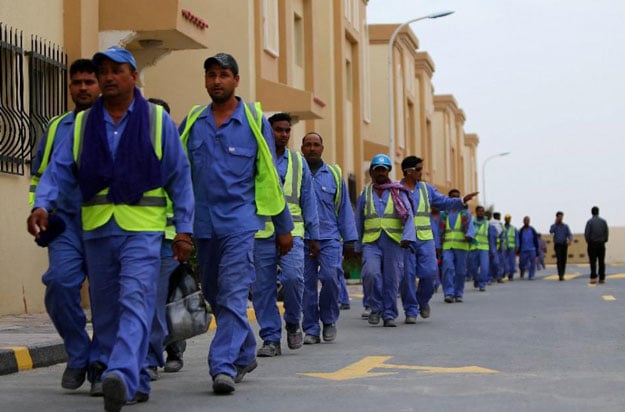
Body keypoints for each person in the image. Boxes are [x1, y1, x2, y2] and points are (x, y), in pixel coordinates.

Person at [28, 46, 194, 412]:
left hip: (143, 231)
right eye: (103, 70)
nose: (107, 77)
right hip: (97, 230)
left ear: (133, 76)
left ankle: (122, 372)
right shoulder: (83, 124)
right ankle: (110, 368)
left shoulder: (155, 120)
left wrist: (184, 229)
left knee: (135, 300)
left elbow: (179, 178)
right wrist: (42, 204)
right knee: (104, 310)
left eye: (116, 70)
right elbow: (57, 170)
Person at [178, 52, 293, 394]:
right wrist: (178, 227)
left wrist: (283, 226)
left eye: (224, 75)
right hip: (202, 224)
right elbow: (178, 174)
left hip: (241, 222)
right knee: (214, 292)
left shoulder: (255, 121)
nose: (217, 81)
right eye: (211, 75)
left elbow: (269, 176)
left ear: (236, 80)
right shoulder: (193, 121)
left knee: (231, 291)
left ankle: (222, 365)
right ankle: (244, 350)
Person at [28, 58, 100, 391]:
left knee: (106, 297)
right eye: (77, 82)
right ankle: (78, 354)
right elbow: (42, 175)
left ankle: (102, 361)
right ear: (70, 87)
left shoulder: (114, 123)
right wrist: (39, 208)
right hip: (66, 225)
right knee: (58, 284)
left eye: (89, 82)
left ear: (99, 85)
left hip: (106, 223)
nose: (83, 88)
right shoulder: (58, 127)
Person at [252, 113, 319, 356]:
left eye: (287, 131)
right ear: (269, 131)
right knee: (262, 288)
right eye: (278, 130)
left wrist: (314, 235)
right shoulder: (257, 158)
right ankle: (270, 338)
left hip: (293, 231)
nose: (283, 134)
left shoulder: (298, 162)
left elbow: (308, 200)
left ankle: (292, 321)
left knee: (293, 279)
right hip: (261, 231)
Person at [398, 156, 477, 321]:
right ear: (408, 171)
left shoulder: (427, 189)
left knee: (430, 273)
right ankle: (411, 310)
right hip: (404, 240)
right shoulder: (396, 190)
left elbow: (443, 202)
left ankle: (422, 301)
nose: (422, 172)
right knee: (407, 277)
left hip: (425, 238)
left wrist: (461, 200)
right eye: (419, 169)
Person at [143, 97, 187, 377]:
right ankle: (159, 351)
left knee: (163, 297)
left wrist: (184, 233)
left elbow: (184, 192)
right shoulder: (135, 146)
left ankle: (159, 353)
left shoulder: (176, 150)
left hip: (170, 239)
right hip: (142, 234)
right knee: (154, 297)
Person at [300, 132, 358, 343]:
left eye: (316, 144)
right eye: (308, 145)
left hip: (330, 238)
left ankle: (329, 320)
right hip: (303, 238)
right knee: (306, 284)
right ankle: (311, 329)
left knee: (331, 278)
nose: (312, 148)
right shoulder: (296, 173)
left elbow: (344, 209)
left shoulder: (333, 174)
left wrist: (350, 240)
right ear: (302, 148)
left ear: (322, 148)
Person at [355, 154, 415, 327]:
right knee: (370, 274)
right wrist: (356, 245)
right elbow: (358, 220)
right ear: (372, 172)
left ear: (388, 171)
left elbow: (409, 215)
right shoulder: (365, 193)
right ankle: (375, 307)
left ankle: (389, 314)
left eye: (384, 169)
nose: (381, 172)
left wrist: (407, 237)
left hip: (394, 241)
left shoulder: (398, 191)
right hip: (371, 241)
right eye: (377, 169)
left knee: (392, 278)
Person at [440, 189, 474, 303]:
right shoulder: (444, 214)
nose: (455, 199)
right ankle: (449, 293)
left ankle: (458, 293)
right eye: (452, 197)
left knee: (460, 272)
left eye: (457, 197)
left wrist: (469, 235)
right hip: (447, 246)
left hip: (462, 246)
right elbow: (438, 230)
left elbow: (471, 227)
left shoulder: (466, 214)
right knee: (447, 268)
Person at [467, 205, 497, 291]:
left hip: (484, 248)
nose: (481, 212)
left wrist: (492, 251)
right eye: (479, 211)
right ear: (476, 212)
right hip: (473, 248)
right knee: (472, 268)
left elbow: (491, 239)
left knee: (484, 267)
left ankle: (482, 284)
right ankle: (476, 279)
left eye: (482, 211)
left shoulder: (488, 224)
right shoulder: (471, 223)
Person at [584, 206, 609, 284]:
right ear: (598, 212)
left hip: (592, 244)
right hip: (601, 244)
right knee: (601, 261)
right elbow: (606, 232)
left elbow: (587, 234)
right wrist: (604, 240)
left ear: (592, 212)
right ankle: (602, 278)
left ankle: (593, 277)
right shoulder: (603, 221)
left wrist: (589, 242)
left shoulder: (589, 222)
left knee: (593, 261)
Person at [549, 211, 573, 281]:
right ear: (556, 217)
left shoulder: (565, 226)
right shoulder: (554, 226)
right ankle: (560, 275)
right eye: (559, 217)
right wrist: (555, 224)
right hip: (557, 245)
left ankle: (562, 273)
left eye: (561, 217)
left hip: (564, 245)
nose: (560, 218)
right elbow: (551, 231)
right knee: (559, 259)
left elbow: (570, 234)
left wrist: (570, 240)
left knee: (563, 260)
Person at [518, 216, 539, 280]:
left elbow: (536, 240)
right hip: (523, 250)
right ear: (523, 221)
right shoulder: (521, 230)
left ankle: (531, 275)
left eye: (527, 220)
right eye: (525, 220)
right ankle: (522, 271)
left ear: (529, 221)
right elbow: (519, 240)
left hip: (532, 249)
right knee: (522, 262)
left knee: (532, 262)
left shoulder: (532, 230)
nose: (526, 222)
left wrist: (537, 250)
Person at [502, 214, 519, 280]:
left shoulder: (514, 228)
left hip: (512, 247)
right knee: (503, 261)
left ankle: (510, 275)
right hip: (504, 247)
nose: (507, 220)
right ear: (505, 219)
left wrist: (517, 246)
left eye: (509, 219)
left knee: (512, 261)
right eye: (506, 219)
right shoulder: (502, 227)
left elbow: (516, 238)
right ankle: (503, 273)